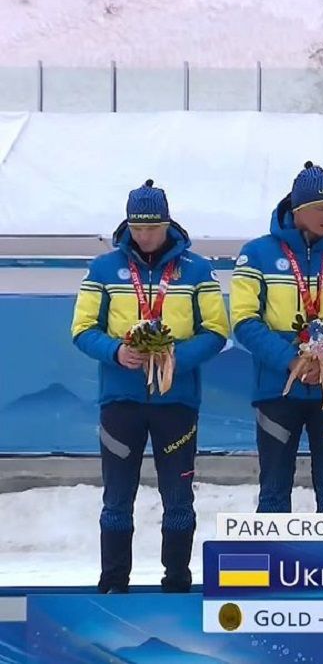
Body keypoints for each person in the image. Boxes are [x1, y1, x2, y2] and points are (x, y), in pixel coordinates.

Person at [70, 179, 230, 593]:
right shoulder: (103, 269)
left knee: (178, 498)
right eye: (137, 228)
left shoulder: (197, 269)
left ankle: (177, 580)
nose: (144, 236)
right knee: (116, 499)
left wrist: (175, 358)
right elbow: (82, 328)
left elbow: (216, 330)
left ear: (167, 223)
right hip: (121, 401)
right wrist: (116, 352)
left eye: (152, 228)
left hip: (176, 402)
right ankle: (113, 582)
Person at [230, 162, 323, 513]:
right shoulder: (257, 253)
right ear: (297, 209)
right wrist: (291, 361)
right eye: (320, 208)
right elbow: (244, 320)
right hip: (277, 388)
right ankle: (273, 552)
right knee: (273, 492)